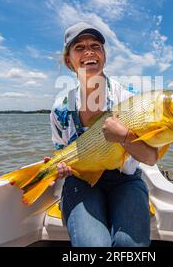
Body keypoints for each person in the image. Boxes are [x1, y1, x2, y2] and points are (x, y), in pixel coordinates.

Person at [48, 22, 159, 247]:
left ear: (104, 55)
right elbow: (61, 153)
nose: (89, 51)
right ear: (69, 61)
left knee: (130, 247)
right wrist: (60, 168)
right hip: (81, 181)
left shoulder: (130, 99)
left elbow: (150, 158)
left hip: (125, 181)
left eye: (95, 45)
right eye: (79, 47)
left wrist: (125, 136)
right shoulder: (61, 108)